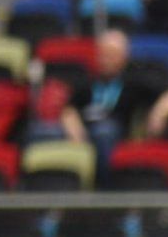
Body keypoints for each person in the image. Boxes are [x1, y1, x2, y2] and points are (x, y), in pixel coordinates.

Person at [60, 29, 151, 170]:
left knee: (104, 132)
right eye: (103, 54)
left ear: (124, 57)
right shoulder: (87, 81)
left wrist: (162, 110)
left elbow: (167, 95)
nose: (106, 60)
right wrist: (71, 122)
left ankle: (104, 188)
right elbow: (69, 108)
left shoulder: (133, 83)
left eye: (112, 55)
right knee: (45, 133)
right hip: (84, 130)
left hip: (115, 132)